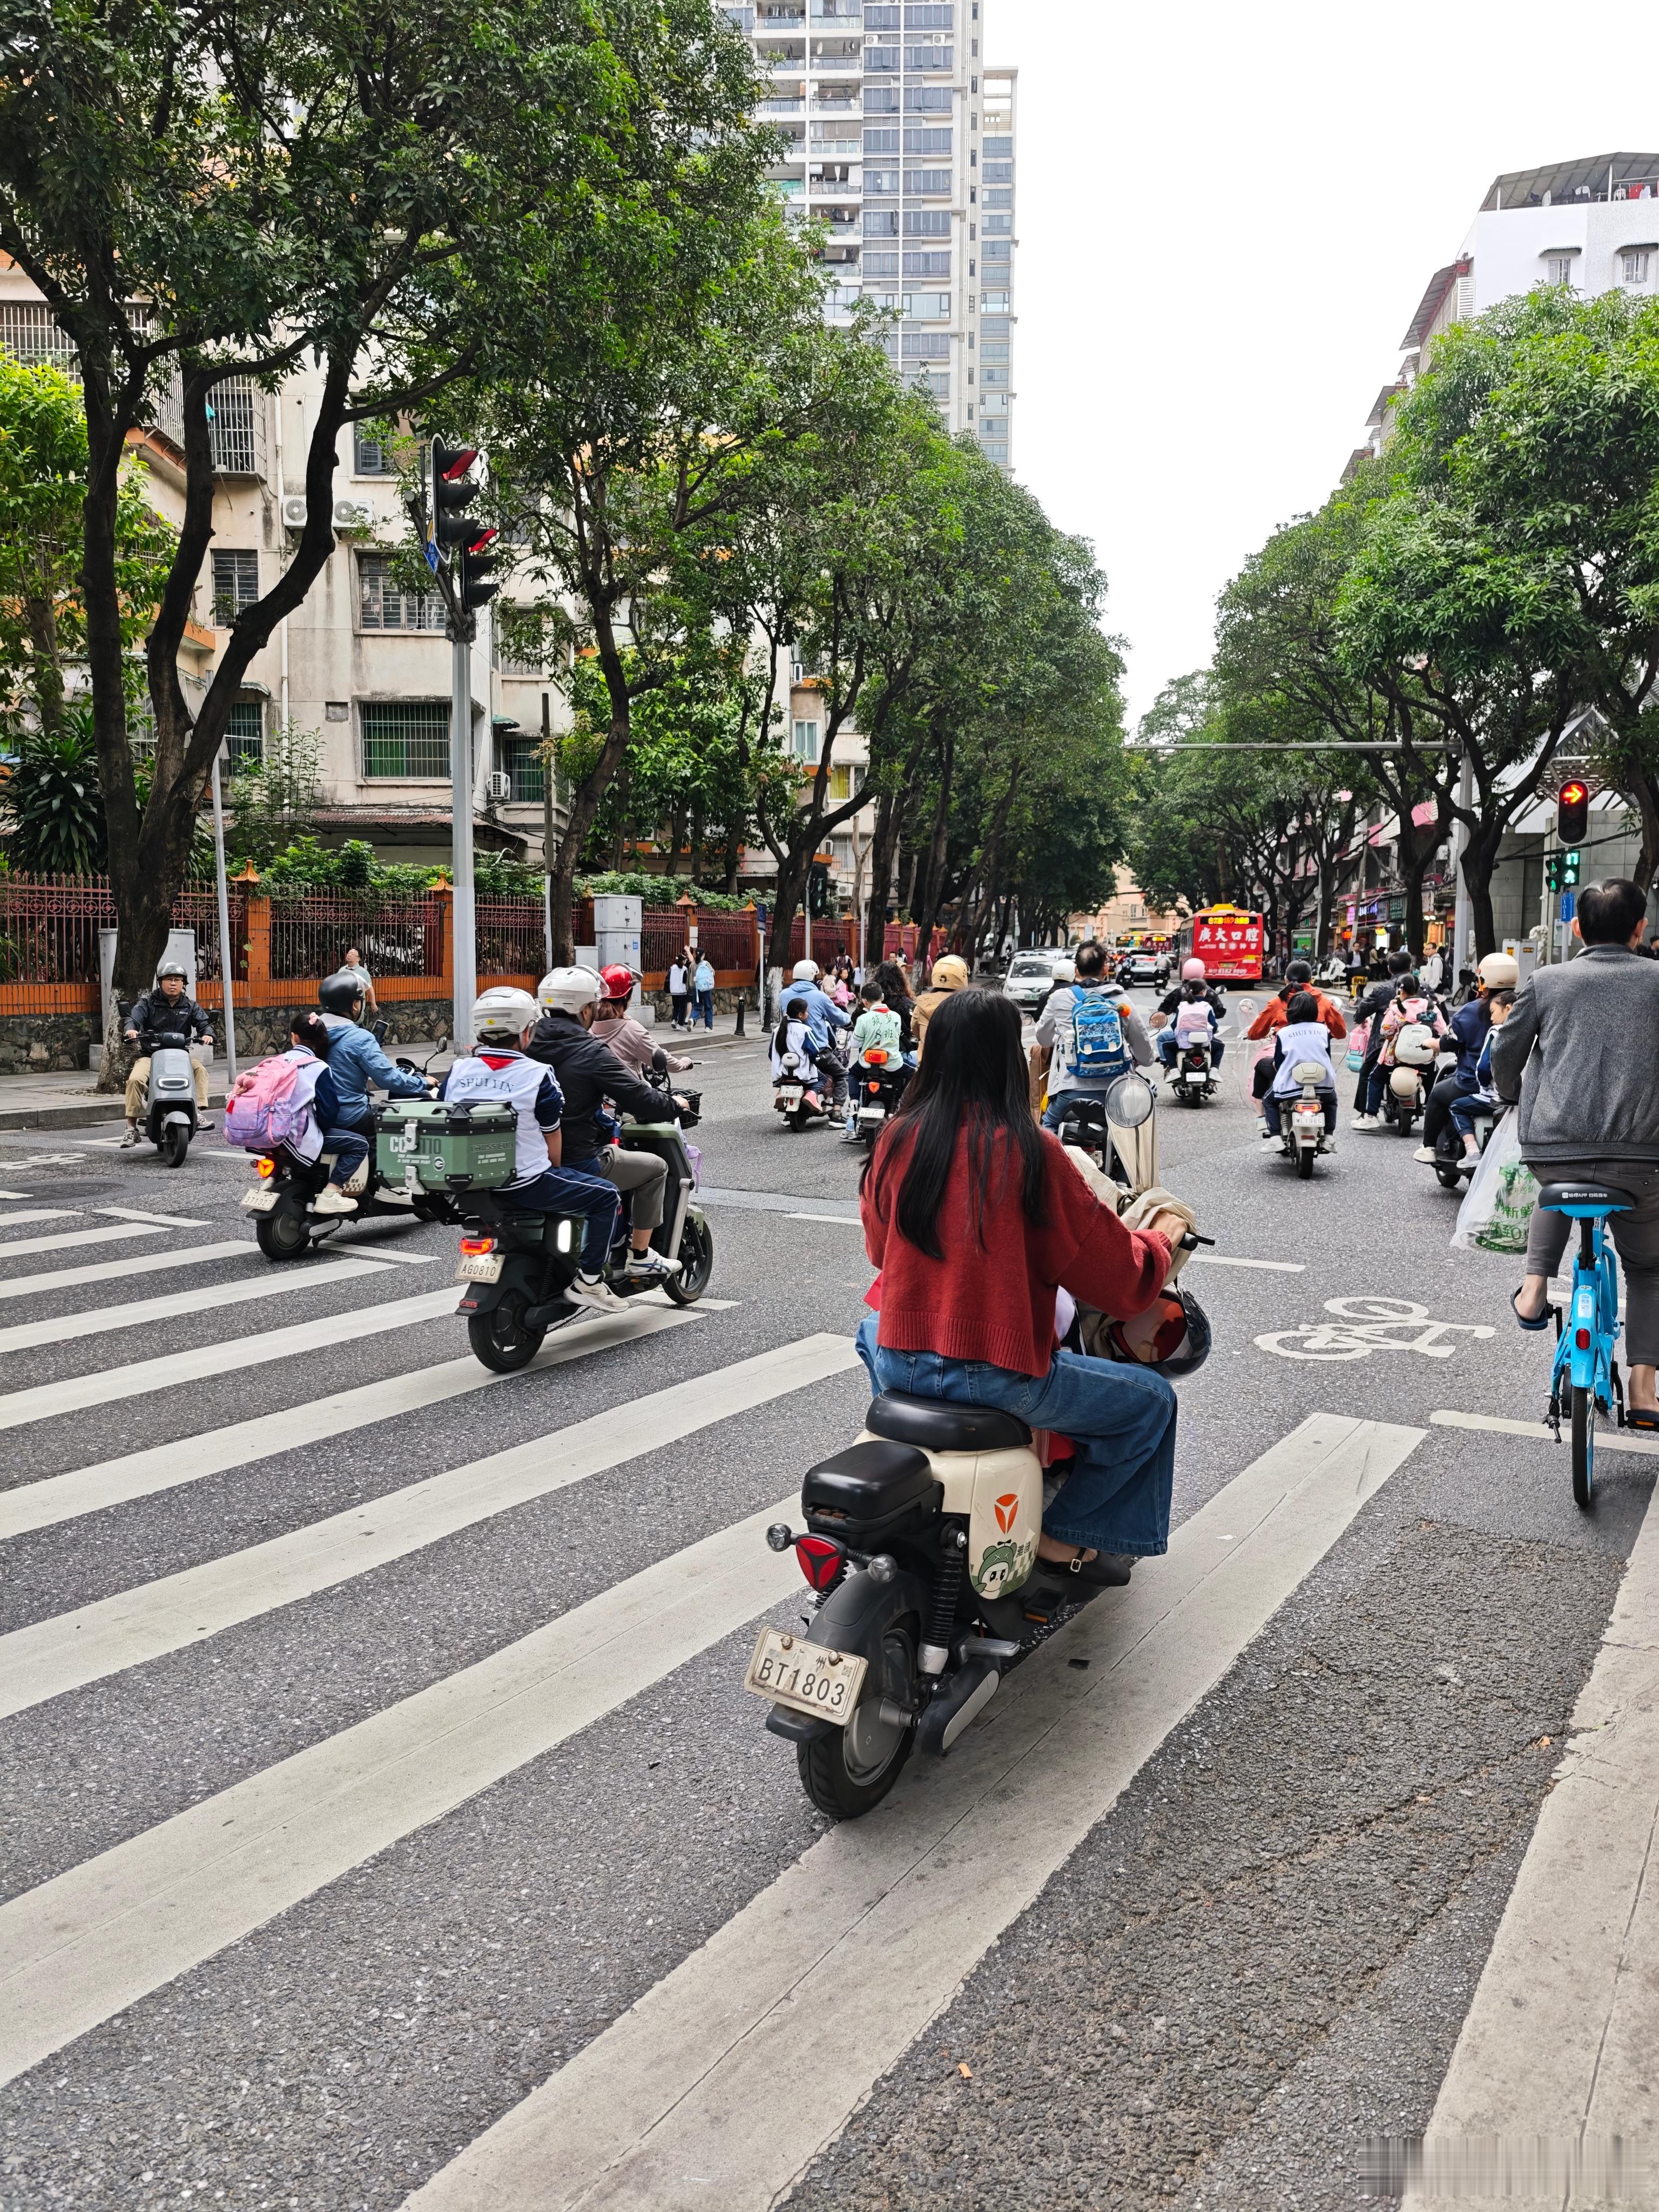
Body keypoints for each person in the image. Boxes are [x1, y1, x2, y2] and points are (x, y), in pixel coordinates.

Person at [857, 989, 1190, 1580]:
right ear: (1009, 1060)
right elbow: (1117, 1279)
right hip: (997, 1375)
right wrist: (1160, 1240)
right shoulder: (1031, 1152)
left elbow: (880, 1252)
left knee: (867, 1327)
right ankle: (1066, 1537)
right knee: (1150, 1404)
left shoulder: (896, 1139)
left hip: (897, 1361)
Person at [1496, 881, 1659, 1423]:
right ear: (1640, 928)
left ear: (1577, 928)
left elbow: (1506, 1053)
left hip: (1554, 1148)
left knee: (1555, 1190)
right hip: (1642, 1158)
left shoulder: (1546, 981)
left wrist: (1512, 1095)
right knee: (1648, 1271)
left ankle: (1534, 1288)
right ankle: (1643, 1389)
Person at [440, 986, 626, 1312]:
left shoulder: (458, 1070)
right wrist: (555, 1168)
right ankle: (589, 1282)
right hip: (524, 1182)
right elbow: (552, 1135)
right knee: (607, 1196)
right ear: (527, 1032)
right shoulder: (538, 1074)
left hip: (469, 1180)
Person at [526, 968, 687, 1285]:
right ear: (586, 1010)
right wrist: (673, 1104)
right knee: (656, 1168)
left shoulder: (525, 1043)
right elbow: (638, 1096)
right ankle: (639, 1256)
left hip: (528, 1157)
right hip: (576, 1157)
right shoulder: (590, 1050)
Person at [314, 969, 427, 1185]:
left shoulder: (310, 1032)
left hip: (314, 1115)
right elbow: (388, 1079)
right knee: (394, 1121)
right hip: (349, 1116)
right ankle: (381, 1182)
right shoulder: (360, 1038)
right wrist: (423, 1082)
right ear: (356, 1005)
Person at [1032, 939, 1152, 1132]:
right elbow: (1144, 1052)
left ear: (1077, 971)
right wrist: (1144, 1058)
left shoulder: (1059, 999)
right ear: (1105, 969)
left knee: (1049, 1126)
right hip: (1115, 1092)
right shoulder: (1121, 999)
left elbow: (1043, 1039)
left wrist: (1062, 1038)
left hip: (1069, 1091)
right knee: (1132, 1131)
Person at [1415, 952, 1518, 1165]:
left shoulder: (1472, 1010)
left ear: (1483, 983)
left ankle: (1429, 1147)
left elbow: (1446, 1043)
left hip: (1472, 1083)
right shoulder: (1521, 1008)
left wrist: (1430, 1043)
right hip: (1513, 1088)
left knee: (1438, 1094)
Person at [1244, 960, 1345, 1132]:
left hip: (1288, 1064)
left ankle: (1262, 1117)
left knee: (1261, 1067)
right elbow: (1341, 1032)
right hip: (1318, 1067)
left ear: (1286, 980)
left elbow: (1256, 1033)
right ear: (1311, 979)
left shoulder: (1278, 1003)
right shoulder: (1324, 1003)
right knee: (1331, 1097)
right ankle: (1329, 1135)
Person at [121, 961, 213, 1145]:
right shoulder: (148, 1003)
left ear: (183, 984)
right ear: (160, 982)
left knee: (200, 1070)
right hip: (150, 1056)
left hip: (180, 1057)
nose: (173, 983)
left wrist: (208, 1034)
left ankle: (197, 1113)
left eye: (178, 980)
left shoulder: (190, 1006)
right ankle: (131, 1128)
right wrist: (131, 1029)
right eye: (169, 979)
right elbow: (133, 1019)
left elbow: (204, 1023)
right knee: (135, 1080)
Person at [1360, 971, 1445, 1121]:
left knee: (1375, 1078)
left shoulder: (1396, 1008)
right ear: (1417, 989)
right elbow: (1442, 1030)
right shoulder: (1430, 1007)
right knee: (1434, 1081)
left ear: (1401, 991)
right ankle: (1437, 1117)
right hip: (1425, 1058)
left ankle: (1371, 1116)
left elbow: (1385, 1031)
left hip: (1396, 1058)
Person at [1261, 991, 1339, 1147]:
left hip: (1291, 1086)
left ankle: (1275, 1138)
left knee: (1268, 1101)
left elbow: (1279, 1062)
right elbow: (1327, 1057)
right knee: (1331, 1101)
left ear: (1291, 1011)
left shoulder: (1283, 1033)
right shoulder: (1324, 1031)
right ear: (1314, 1010)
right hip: (1322, 1085)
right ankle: (1329, 1136)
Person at [1347, 950, 1414, 1128]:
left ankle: (1367, 1114)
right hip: (1418, 1046)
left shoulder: (1382, 990)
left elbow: (1361, 1012)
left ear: (1389, 969)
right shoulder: (1421, 988)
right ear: (1410, 968)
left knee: (1367, 1073)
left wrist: (1359, 1017)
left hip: (1384, 1044)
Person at [592, 965, 692, 1081]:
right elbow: (667, 1062)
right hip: (628, 1090)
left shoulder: (589, 1026)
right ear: (626, 997)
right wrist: (685, 1063)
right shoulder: (631, 1029)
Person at [781, 957, 853, 1106]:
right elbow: (837, 1016)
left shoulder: (784, 994)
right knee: (842, 1074)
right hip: (818, 1049)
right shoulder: (820, 996)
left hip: (790, 1048)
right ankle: (837, 1111)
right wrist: (849, 1021)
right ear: (812, 977)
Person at [1152, 959, 1227, 1071]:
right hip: (1204, 1038)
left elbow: (1168, 1015)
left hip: (1182, 1038)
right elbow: (1218, 1016)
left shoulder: (1180, 999)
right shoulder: (1209, 997)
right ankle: (1214, 1070)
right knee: (1219, 1046)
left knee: (1162, 1039)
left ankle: (1169, 1067)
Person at [911, 953, 970, 1054]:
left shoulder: (922, 1004)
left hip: (927, 1062)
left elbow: (915, 1030)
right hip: (957, 1062)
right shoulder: (968, 1005)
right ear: (963, 976)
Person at [874, 959, 919, 1062]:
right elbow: (915, 1023)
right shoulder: (906, 1003)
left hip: (873, 1051)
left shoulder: (871, 1002)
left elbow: (855, 1019)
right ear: (900, 979)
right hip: (900, 1052)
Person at [341, 947, 379, 1017]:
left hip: (357, 1008)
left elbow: (370, 988)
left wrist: (373, 1003)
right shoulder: (342, 970)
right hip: (343, 1007)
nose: (349, 955)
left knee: (357, 1021)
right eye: (349, 953)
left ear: (358, 959)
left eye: (353, 954)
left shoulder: (363, 972)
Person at [666, 950, 692, 1031]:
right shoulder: (684, 969)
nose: (686, 961)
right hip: (682, 992)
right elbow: (685, 981)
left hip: (674, 991)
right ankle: (680, 1025)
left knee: (676, 1007)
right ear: (683, 961)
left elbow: (668, 978)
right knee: (683, 1009)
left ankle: (674, 1020)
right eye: (685, 960)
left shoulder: (672, 968)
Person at [692, 952, 716, 1031]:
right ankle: (708, 1027)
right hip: (707, 988)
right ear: (703, 955)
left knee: (697, 1007)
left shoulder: (693, 965)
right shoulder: (706, 963)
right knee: (708, 1007)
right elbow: (713, 972)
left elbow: (692, 977)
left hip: (697, 988)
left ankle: (692, 1019)